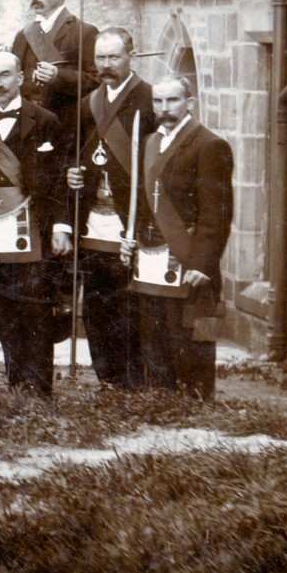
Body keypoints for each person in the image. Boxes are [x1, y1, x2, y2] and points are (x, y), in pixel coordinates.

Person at [0, 52, 66, 395]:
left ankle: (39, 387)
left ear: (20, 78)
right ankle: (16, 385)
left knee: (35, 307)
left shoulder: (45, 120)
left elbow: (60, 181)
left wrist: (61, 226)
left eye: (5, 75)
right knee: (3, 307)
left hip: (34, 226)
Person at [122, 76, 233, 399]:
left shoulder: (209, 145)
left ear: (189, 103)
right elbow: (144, 201)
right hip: (151, 256)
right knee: (153, 333)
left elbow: (217, 213)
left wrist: (204, 263)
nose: (164, 108)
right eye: (158, 101)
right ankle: (161, 399)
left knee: (190, 335)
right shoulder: (150, 142)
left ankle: (195, 404)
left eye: (172, 100)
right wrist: (130, 238)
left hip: (189, 259)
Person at [63, 27, 153, 390]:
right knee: (96, 302)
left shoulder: (149, 100)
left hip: (131, 217)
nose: (106, 65)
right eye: (100, 58)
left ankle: (134, 378)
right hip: (93, 220)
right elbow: (73, 151)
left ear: (131, 55)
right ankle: (108, 377)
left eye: (114, 57)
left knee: (128, 301)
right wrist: (71, 171)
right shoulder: (88, 103)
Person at [13, 0, 98, 141]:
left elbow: (96, 82)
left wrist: (59, 76)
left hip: (66, 129)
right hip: (27, 129)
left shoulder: (85, 32)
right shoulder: (23, 36)